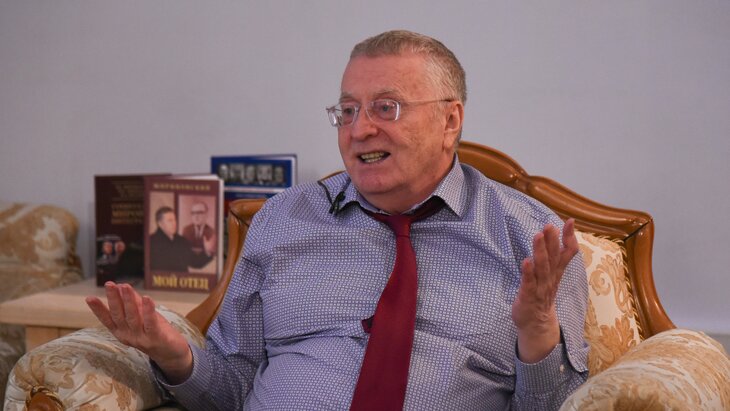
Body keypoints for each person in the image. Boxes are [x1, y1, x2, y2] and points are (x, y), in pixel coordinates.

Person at [86, 30, 588, 410]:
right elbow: (232, 387)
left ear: (450, 120)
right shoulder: (285, 220)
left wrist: (538, 333)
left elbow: (556, 406)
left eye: (386, 108)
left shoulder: (532, 239)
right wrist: (175, 356)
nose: (359, 129)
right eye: (347, 111)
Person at [147, 206, 214, 272]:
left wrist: (207, 252)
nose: (174, 223)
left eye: (175, 220)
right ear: (160, 223)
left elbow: (196, 262)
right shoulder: (150, 242)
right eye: (170, 220)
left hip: (182, 279)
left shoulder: (182, 241)